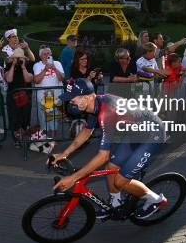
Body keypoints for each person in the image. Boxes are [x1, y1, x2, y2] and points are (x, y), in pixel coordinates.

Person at [51, 78, 167, 220]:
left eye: (72, 100)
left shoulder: (107, 112)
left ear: (86, 98)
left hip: (152, 134)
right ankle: (115, 202)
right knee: (111, 166)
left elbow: (102, 155)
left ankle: (156, 199)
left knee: (120, 181)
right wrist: (64, 153)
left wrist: (73, 178)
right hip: (135, 134)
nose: (70, 104)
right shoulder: (94, 105)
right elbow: (87, 132)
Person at [33, 45, 65, 137]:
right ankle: (45, 138)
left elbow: (62, 78)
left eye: (48, 53)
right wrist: (45, 69)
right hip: (43, 96)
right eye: (44, 54)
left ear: (51, 54)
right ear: (40, 56)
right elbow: (37, 80)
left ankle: (53, 138)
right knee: (43, 117)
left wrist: (54, 68)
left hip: (56, 95)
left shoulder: (57, 63)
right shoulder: (37, 65)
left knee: (54, 117)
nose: (47, 55)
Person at [5, 47, 34, 148]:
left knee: (25, 117)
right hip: (12, 97)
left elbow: (29, 79)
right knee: (14, 117)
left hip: (25, 95)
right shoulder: (9, 65)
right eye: (16, 58)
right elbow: (8, 79)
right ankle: (17, 138)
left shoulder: (28, 66)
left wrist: (23, 67)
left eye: (20, 58)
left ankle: (22, 135)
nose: (18, 60)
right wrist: (13, 65)